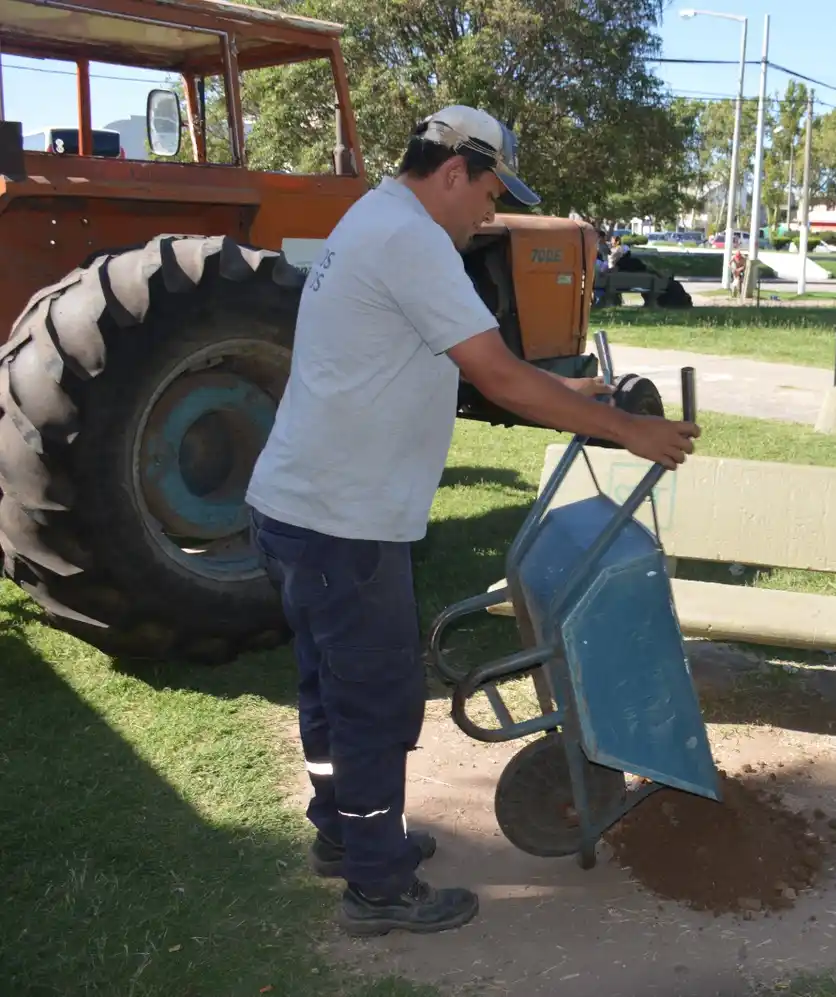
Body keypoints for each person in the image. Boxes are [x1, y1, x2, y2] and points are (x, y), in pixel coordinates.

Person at [244, 105, 699, 938]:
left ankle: (345, 836)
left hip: (299, 509)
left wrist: (578, 397)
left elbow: (448, 362)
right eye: (490, 193)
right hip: (343, 522)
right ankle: (378, 886)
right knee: (376, 702)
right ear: (453, 172)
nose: (491, 213)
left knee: (330, 688)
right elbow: (496, 377)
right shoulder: (413, 238)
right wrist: (631, 430)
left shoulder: (372, 215)